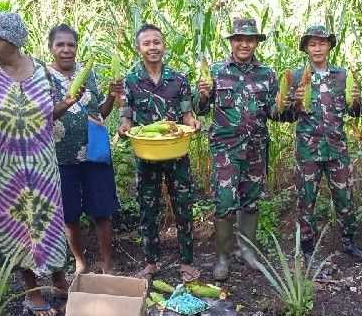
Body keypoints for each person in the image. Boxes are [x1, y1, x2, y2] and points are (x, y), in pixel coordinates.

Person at [0, 12, 77, 316]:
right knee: (15, 227)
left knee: (48, 222)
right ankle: (32, 291)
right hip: (3, 170)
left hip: (41, 165)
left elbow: (46, 115)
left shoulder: (40, 70)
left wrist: (65, 105)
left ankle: (59, 281)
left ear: (13, 41)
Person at [195, 18, 285, 281]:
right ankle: (223, 256)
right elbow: (199, 109)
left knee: (252, 200)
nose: (244, 44)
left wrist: (286, 105)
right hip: (226, 149)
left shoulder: (267, 74)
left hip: (256, 147)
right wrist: (201, 96)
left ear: (256, 42)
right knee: (224, 202)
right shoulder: (215, 71)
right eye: (239, 39)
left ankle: (247, 250)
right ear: (232, 42)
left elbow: (276, 114)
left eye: (249, 39)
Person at [117, 24, 201, 282]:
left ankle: (186, 262)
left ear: (164, 45)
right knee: (147, 209)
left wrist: (193, 123)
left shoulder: (179, 80)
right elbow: (126, 116)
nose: (152, 47)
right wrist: (124, 128)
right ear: (138, 48)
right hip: (147, 155)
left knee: (183, 207)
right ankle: (151, 261)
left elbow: (188, 115)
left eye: (157, 42)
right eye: (147, 43)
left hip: (176, 153)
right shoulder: (130, 81)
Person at [286, 25, 362, 260]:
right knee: (306, 199)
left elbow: (356, 112)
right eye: (312, 44)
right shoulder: (296, 77)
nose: (318, 48)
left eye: (322, 43)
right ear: (306, 49)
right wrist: (295, 103)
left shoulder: (342, 76)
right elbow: (285, 116)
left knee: (345, 198)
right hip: (308, 151)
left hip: (336, 148)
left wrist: (357, 100)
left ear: (330, 46)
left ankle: (349, 242)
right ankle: (307, 248)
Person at [48, 24, 121, 275]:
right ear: (51, 48)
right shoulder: (43, 77)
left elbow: (99, 113)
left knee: (102, 210)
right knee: (70, 215)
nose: (67, 50)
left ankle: (107, 263)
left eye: (71, 44)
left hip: (94, 152)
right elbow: (43, 117)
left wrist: (111, 97)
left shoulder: (87, 74)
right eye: (60, 45)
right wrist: (66, 103)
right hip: (61, 156)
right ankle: (80, 261)